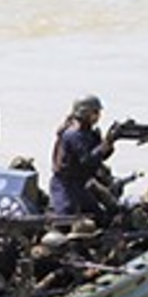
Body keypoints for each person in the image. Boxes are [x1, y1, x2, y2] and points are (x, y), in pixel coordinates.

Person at [49, 94, 115, 223]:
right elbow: (86, 160)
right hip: (65, 185)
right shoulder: (74, 134)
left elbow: (100, 158)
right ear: (84, 113)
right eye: (95, 112)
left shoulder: (89, 133)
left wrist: (109, 143)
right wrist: (104, 145)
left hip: (81, 184)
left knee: (100, 217)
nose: (98, 116)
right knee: (65, 220)